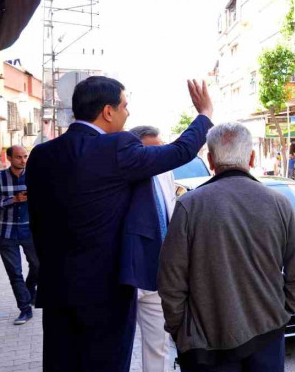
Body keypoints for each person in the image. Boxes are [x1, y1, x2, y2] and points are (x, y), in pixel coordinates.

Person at [26, 77, 214, 372]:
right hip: (105, 294)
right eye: (125, 106)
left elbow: (36, 222)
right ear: (108, 111)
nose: (128, 114)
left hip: (57, 289)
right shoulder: (116, 147)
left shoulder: (40, 155)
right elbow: (180, 151)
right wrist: (204, 115)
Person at [158, 122, 295, 372]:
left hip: (205, 346)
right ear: (251, 157)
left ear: (210, 159)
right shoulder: (279, 204)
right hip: (266, 336)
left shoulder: (188, 206)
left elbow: (170, 282)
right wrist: (282, 313)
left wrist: (182, 331)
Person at [122, 125, 177, 372]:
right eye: (151, 152)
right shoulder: (120, 176)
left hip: (158, 274)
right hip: (124, 277)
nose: (158, 158)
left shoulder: (165, 173)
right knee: (116, 347)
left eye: (161, 151)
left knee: (160, 346)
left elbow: (170, 216)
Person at [0, 145, 38, 325]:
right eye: (19, 157)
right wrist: (13, 199)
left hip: (30, 231)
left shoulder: (34, 176)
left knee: (38, 266)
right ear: (9, 158)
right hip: (7, 233)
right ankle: (25, 309)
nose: (23, 160)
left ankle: (30, 289)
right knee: (14, 273)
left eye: (25, 156)